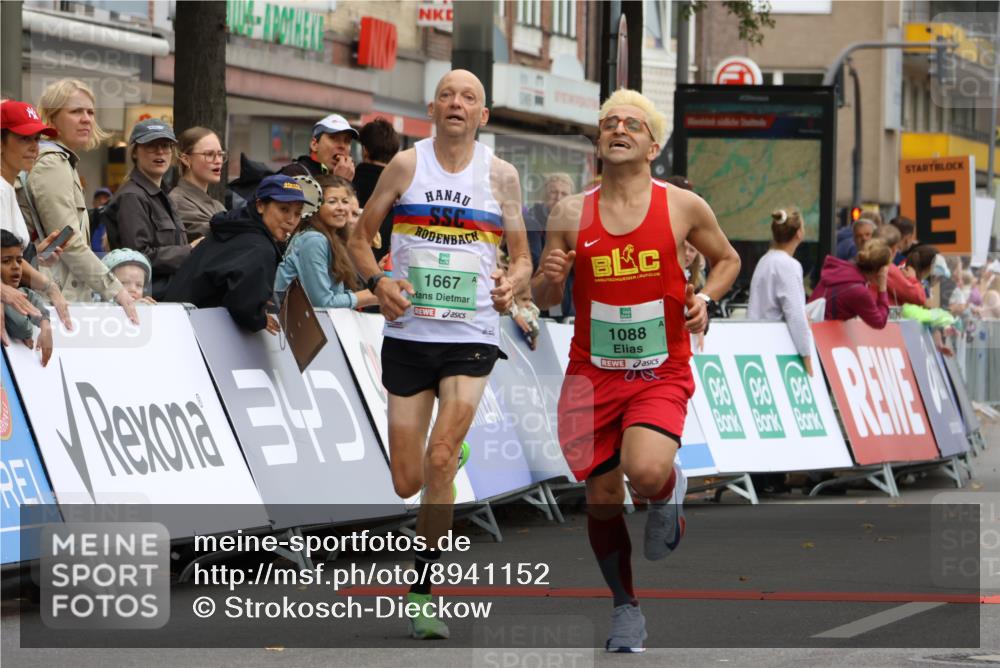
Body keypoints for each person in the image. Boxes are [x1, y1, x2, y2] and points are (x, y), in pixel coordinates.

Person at [531, 89, 740, 652]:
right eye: (609, 123)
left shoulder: (682, 207)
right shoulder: (569, 213)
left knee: (645, 471)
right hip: (591, 373)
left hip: (658, 369)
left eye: (632, 123)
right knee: (601, 498)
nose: (618, 129)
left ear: (652, 146)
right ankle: (626, 608)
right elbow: (544, 296)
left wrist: (706, 299)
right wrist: (551, 277)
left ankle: (667, 489)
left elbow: (727, 260)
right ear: (599, 142)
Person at [347, 69, 531, 640]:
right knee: (408, 481)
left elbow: (523, 258)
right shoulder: (406, 166)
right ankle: (442, 465)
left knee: (441, 455)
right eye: (447, 95)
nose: (457, 103)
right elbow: (358, 238)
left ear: (483, 115)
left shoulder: (502, 176)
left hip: (472, 335)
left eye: (468, 97)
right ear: (431, 109)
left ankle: (423, 591)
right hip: (410, 335)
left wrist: (511, 285)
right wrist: (379, 282)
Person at [25, 79, 137, 322]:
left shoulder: (62, 161)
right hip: (53, 304)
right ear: (51, 118)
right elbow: (67, 241)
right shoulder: (52, 162)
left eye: (90, 112)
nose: (87, 119)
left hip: (59, 299)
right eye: (76, 111)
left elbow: (62, 241)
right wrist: (115, 289)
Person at [165, 174, 306, 333]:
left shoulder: (237, 228)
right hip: (192, 330)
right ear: (260, 206)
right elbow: (245, 306)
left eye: (297, 213)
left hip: (177, 321)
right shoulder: (259, 246)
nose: (291, 220)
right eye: (284, 209)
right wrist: (260, 318)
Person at [0, 99, 72, 332]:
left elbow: (6, 259)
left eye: (36, 139)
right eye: (24, 138)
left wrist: (33, 256)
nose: (34, 147)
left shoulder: (7, 187)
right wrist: (50, 286)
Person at [104, 119, 193, 300]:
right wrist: (190, 250)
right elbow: (138, 257)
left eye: (165, 145)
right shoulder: (132, 196)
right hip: (146, 299)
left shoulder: (163, 195)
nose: (160, 151)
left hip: (169, 297)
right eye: (151, 146)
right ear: (135, 152)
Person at [275, 176, 377, 309]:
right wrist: (369, 296)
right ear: (316, 206)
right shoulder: (313, 240)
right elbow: (322, 303)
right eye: (332, 201)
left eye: (345, 201)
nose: (341, 208)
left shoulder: (333, 239)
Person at [748, 209, 814, 375]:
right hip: (779, 347)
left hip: (757, 342)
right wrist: (806, 355)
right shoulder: (788, 265)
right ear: (799, 233)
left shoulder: (765, 260)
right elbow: (795, 315)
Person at [524, 173, 575, 320]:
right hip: (536, 306)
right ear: (543, 195)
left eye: (564, 194)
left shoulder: (575, 224)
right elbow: (533, 264)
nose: (558, 197)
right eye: (553, 192)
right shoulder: (531, 222)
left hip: (570, 307)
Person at [810, 238, 892, 329]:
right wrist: (883, 287)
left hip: (813, 327)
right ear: (881, 269)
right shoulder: (858, 290)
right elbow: (879, 322)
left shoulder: (841, 271)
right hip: (825, 332)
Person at [2, 230, 53, 366]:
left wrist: (45, 324)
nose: (16, 267)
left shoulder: (22, 292)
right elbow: (22, 328)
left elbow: (33, 300)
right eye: (6, 261)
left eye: (19, 261)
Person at [353, 118, 400, 262]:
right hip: (388, 266)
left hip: (354, 263)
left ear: (365, 150)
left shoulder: (350, 183)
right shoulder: (402, 188)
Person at [169, 126, 226, 242]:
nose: (218, 161)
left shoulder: (217, 205)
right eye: (209, 154)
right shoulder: (177, 201)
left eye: (220, 154)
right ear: (186, 159)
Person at [281, 113, 357, 180]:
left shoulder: (350, 177)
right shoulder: (295, 174)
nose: (342, 146)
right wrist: (341, 181)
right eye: (334, 138)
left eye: (347, 141)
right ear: (314, 145)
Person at [872, 224, 925, 306]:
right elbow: (919, 298)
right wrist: (912, 278)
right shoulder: (887, 268)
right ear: (894, 249)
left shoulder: (861, 263)